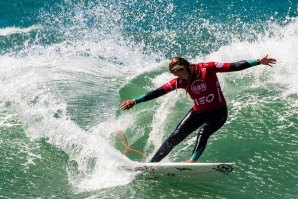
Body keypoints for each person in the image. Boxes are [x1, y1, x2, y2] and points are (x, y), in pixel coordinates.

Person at [120, 55, 277, 163]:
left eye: (181, 72)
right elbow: (158, 92)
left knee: (204, 132)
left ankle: (192, 161)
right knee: (175, 136)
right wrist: (135, 101)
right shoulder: (179, 81)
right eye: (176, 74)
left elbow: (233, 66)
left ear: (187, 66)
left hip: (218, 113)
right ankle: (152, 164)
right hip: (198, 112)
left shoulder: (207, 69)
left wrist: (258, 61)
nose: (180, 77)